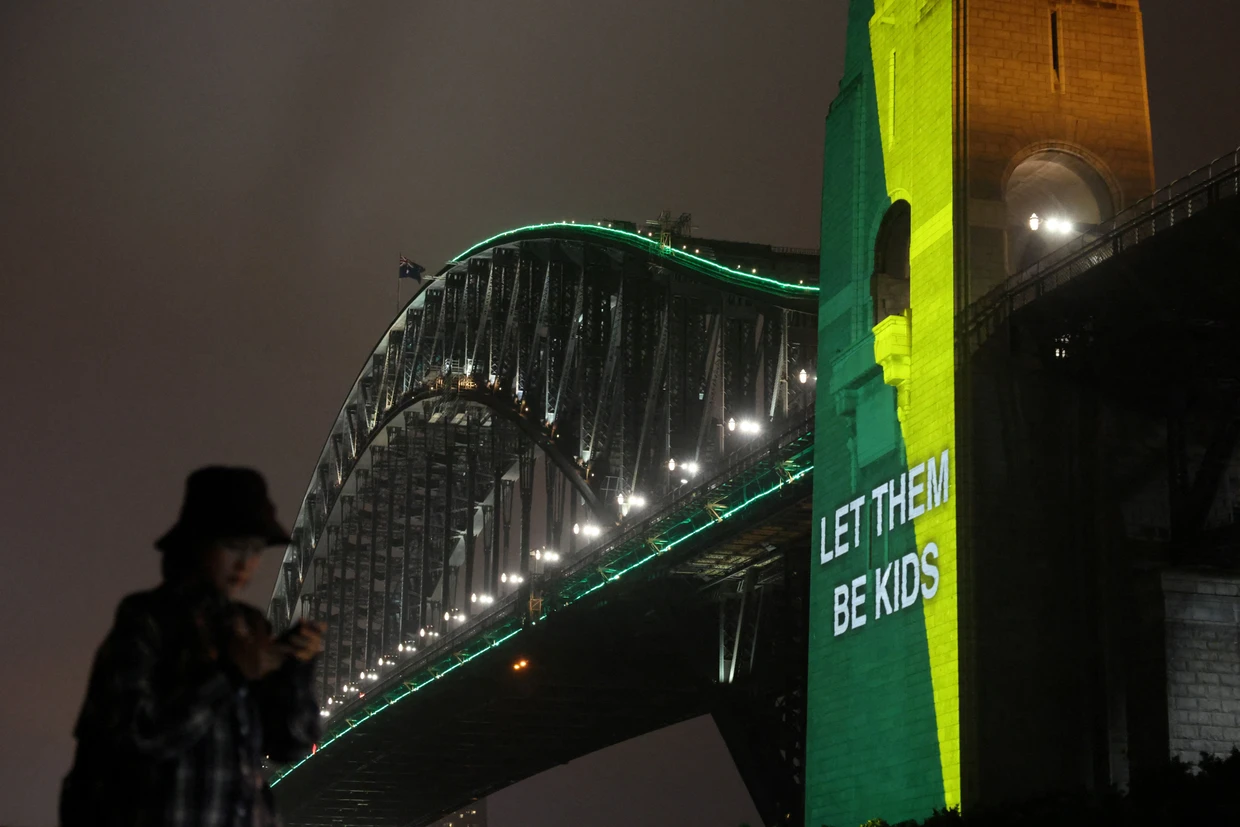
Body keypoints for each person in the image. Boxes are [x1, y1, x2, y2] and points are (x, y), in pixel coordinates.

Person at [61, 466, 325, 827]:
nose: (246, 563)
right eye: (233, 546)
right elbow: (134, 738)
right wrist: (229, 675)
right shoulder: (147, 620)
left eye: (255, 549)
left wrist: (297, 669)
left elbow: (291, 743)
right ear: (196, 543)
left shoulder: (250, 626)